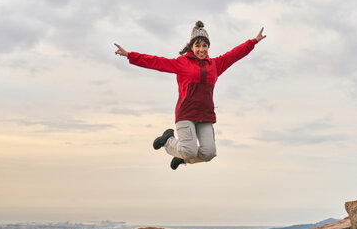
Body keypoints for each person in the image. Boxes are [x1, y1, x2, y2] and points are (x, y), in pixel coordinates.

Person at [114, 21, 266, 170]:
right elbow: (156, 62)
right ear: (192, 47)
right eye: (198, 46)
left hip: (205, 115)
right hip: (186, 113)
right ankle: (168, 141)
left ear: (208, 47)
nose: (201, 49)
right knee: (189, 150)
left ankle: (181, 157)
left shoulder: (215, 65)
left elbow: (235, 54)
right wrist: (130, 55)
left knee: (209, 153)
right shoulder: (182, 63)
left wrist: (253, 42)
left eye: (204, 46)